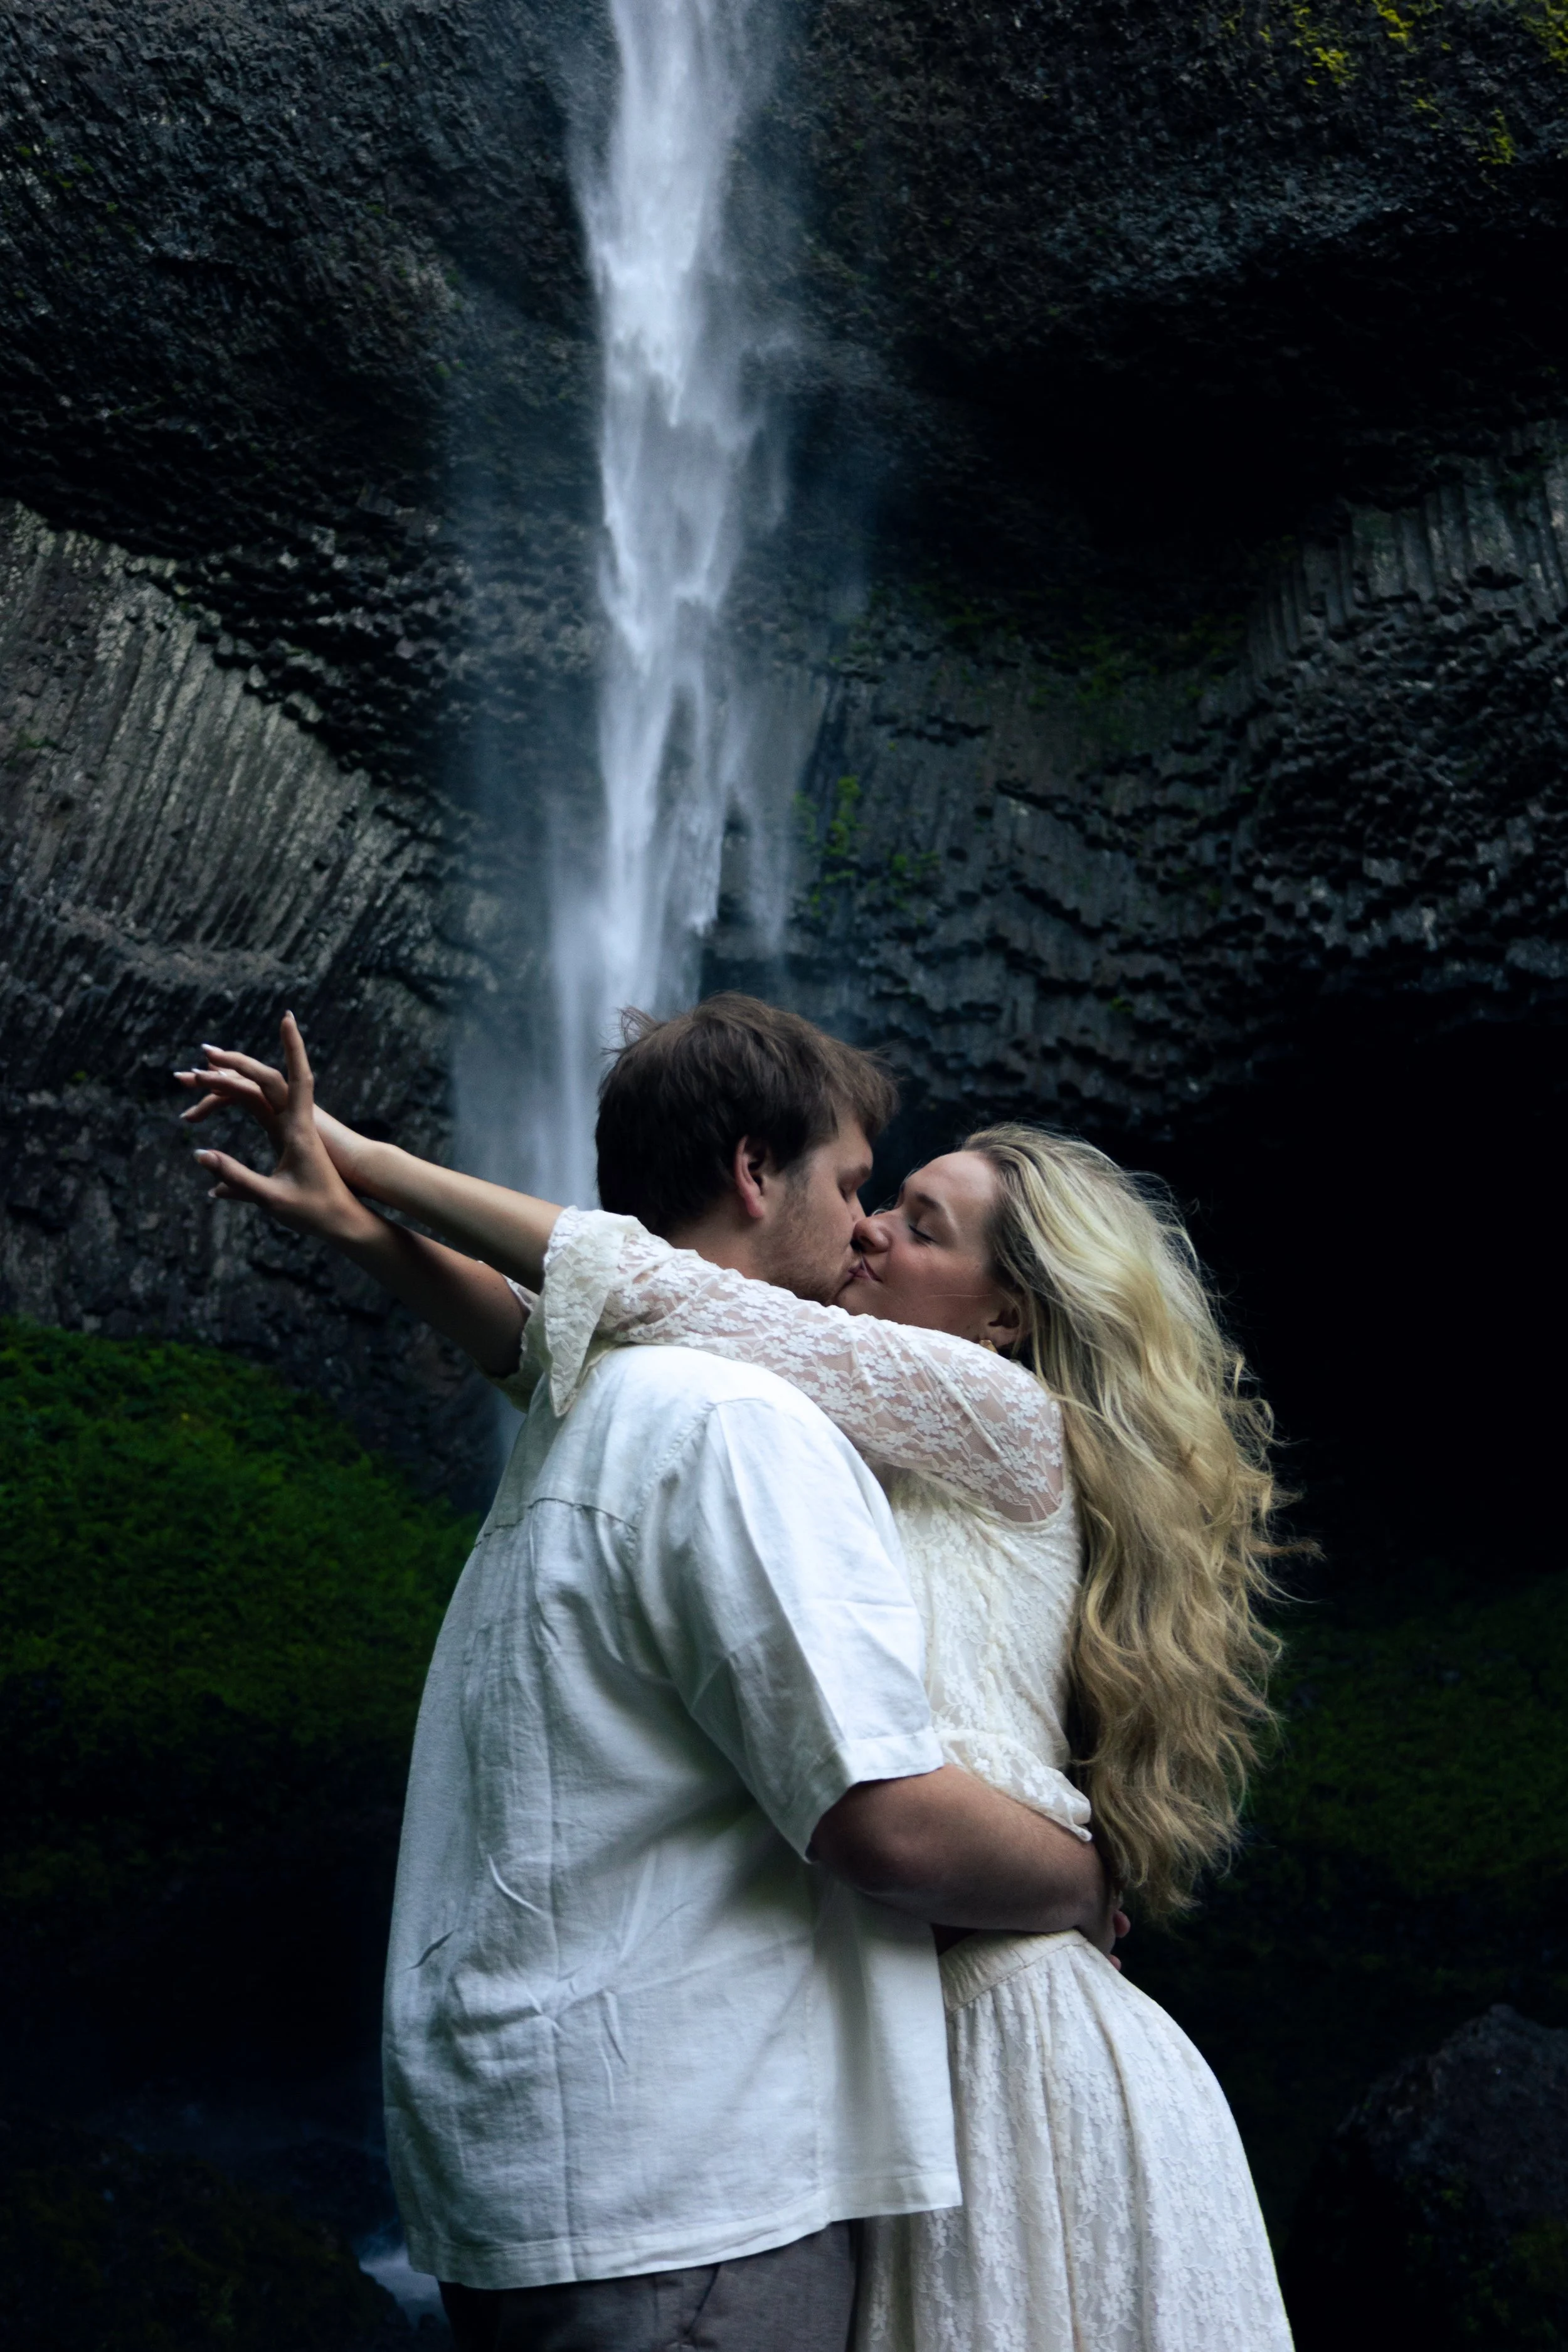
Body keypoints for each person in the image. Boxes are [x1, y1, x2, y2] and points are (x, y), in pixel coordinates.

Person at [176, 1001, 1118, 2352]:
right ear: (752, 1172)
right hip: (688, 2197)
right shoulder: (739, 1419)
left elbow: (561, 1322)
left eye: (909, 1220)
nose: (866, 1233)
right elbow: (883, 1819)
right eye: (862, 1190)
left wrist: (355, 1206)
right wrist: (1095, 1876)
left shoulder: (603, 1404)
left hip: (536, 2167)